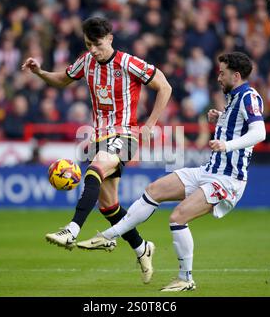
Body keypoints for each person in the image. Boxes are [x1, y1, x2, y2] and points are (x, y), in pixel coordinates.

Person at [77, 52, 266, 291]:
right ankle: (107, 237)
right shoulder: (233, 97)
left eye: (222, 72)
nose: (218, 77)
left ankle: (186, 279)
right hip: (209, 171)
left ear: (236, 75)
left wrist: (227, 144)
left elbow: (259, 133)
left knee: (178, 217)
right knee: (153, 190)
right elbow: (238, 127)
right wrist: (220, 119)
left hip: (228, 180)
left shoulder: (249, 96)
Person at [21, 17, 172, 284]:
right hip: (99, 136)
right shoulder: (86, 61)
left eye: (98, 44)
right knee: (109, 206)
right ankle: (142, 247)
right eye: (88, 44)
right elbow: (62, 79)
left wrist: (149, 126)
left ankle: (72, 229)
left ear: (110, 39)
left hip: (125, 133)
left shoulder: (128, 63)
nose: (93, 49)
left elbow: (165, 86)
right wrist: (40, 72)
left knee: (95, 169)